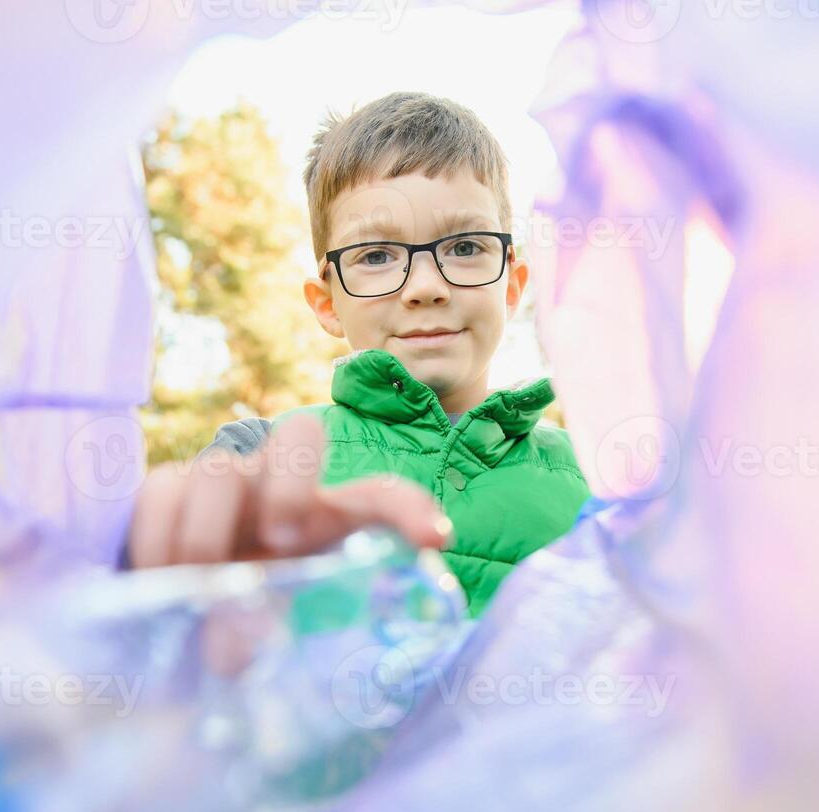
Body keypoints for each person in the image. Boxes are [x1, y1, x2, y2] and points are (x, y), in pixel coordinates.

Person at [128, 92, 589, 616]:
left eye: (464, 247)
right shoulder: (261, 459)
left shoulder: (598, 484)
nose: (425, 286)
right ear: (326, 303)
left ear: (511, 285)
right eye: (375, 255)